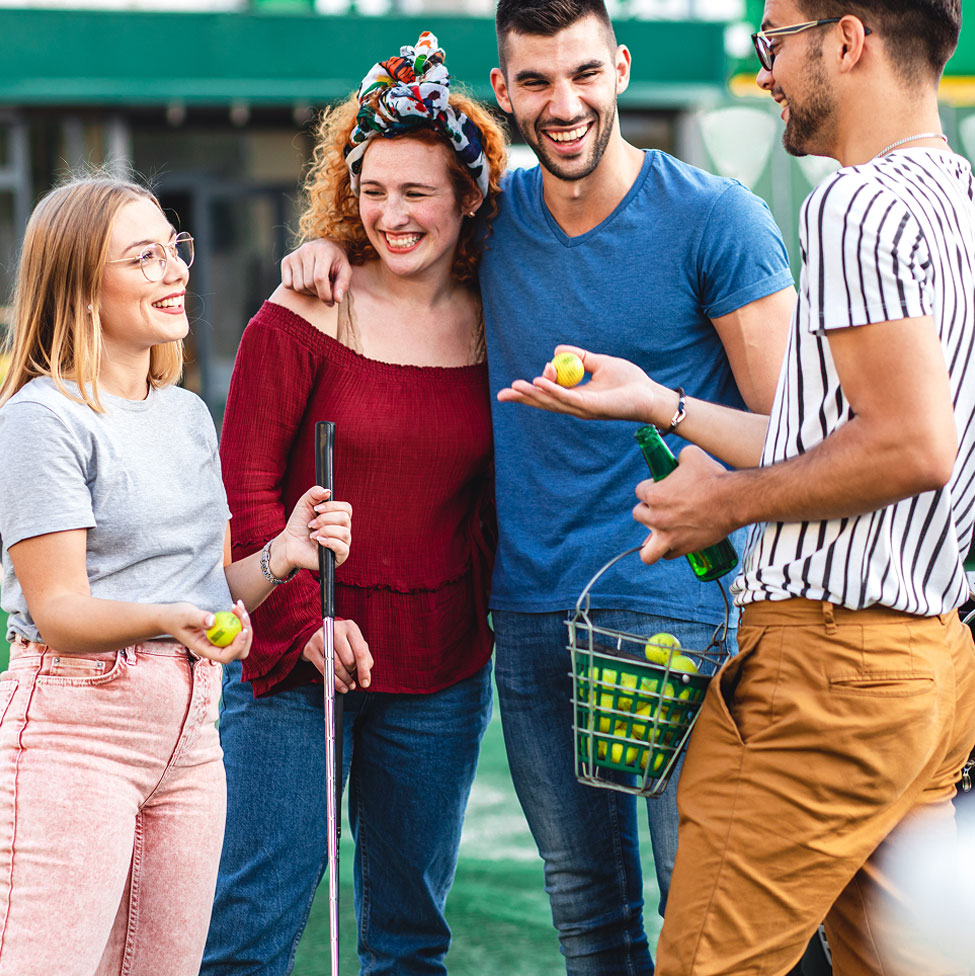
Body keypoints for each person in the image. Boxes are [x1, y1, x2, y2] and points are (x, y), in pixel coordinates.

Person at [280, 2, 797, 972]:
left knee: (709, 916)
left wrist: (681, 425)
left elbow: (804, 438)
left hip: (685, 617)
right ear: (506, 91)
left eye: (584, 75)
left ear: (622, 71)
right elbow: (397, 238)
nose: (565, 104)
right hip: (529, 619)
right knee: (588, 919)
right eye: (538, 81)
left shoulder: (716, 220)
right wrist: (327, 251)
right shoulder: (490, 222)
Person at [503, 2, 975, 973]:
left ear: (846, 41)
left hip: (832, 660)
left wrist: (724, 504)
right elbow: (855, 433)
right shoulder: (954, 195)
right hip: (929, 658)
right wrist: (663, 405)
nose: (765, 72)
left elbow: (910, 445)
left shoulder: (854, 205)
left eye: (777, 43)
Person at [200, 33, 507, 976]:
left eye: (416, 193)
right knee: (255, 925)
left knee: (409, 939)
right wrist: (302, 628)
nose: (390, 215)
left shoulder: (503, 314)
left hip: (443, 666)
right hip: (302, 657)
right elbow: (245, 495)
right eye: (371, 190)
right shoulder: (302, 312)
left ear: (468, 194)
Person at [0, 175, 353, 975]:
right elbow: (58, 610)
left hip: (192, 743)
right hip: (75, 732)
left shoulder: (186, 413)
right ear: (81, 287)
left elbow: (208, 592)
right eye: (144, 257)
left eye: (174, 249)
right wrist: (167, 620)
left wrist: (282, 554)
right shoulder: (40, 417)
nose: (174, 271)